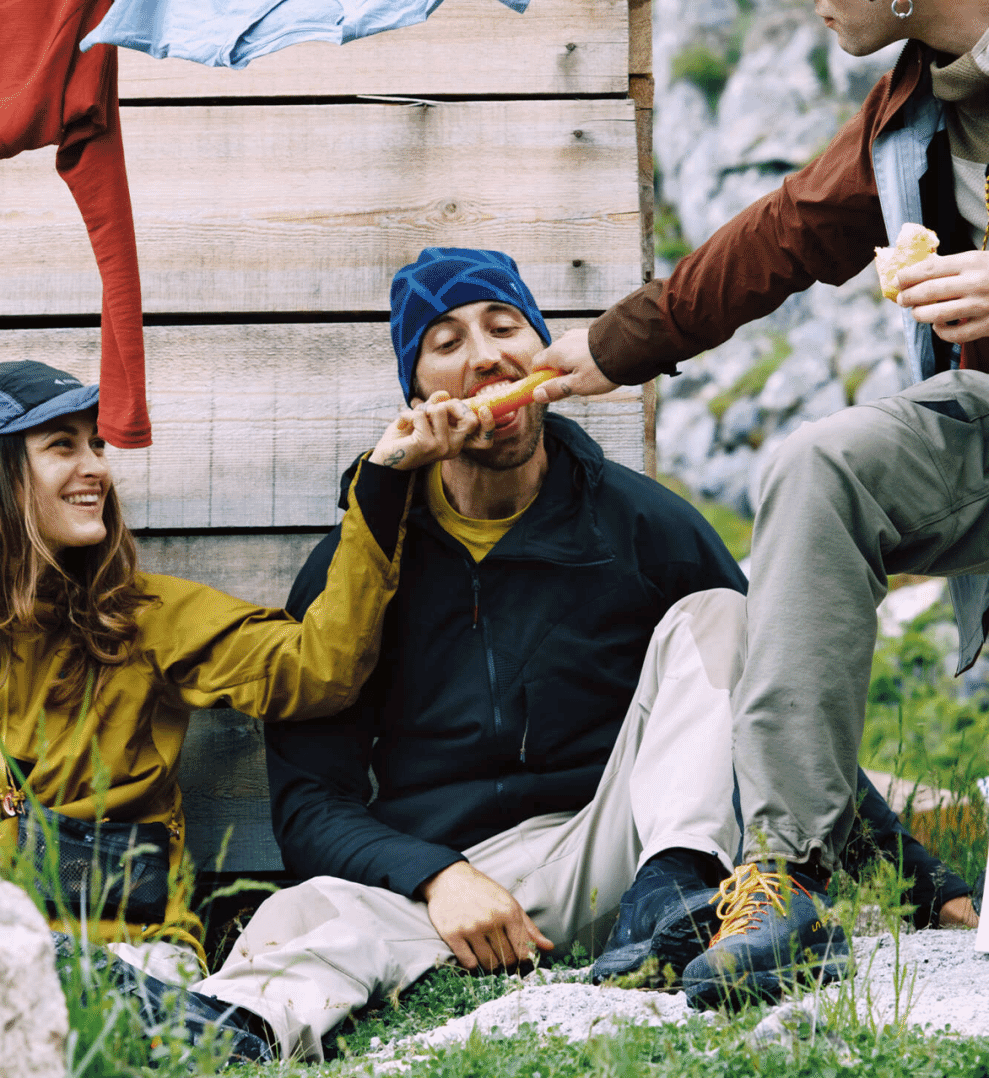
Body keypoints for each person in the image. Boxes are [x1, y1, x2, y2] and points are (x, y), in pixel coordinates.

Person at [188, 249, 970, 1060]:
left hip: (624, 849)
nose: (486, 355)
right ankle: (228, 1030)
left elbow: (772, 705)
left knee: (724, 615)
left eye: (505, 327)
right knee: (309, 911)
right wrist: (438, 876)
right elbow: (310, 804)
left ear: (544, 356)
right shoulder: (357, 561)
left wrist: (926, 881)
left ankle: (674, 896)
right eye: (445, 342)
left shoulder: (641, 525)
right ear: (416, 396)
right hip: (454, 885)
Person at [531, 0, 989, 1005]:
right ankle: (785, 873)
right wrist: (606, 347)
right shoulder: (913, 103)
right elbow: (786, 229)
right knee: (816, 462)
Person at [0, 356, 491, 1060]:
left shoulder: (144, 618)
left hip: (139, 964)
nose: (96, 469)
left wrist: (383, 481)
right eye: (61, 446)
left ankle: (179, 1027)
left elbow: (319, 671)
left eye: (97, 444)